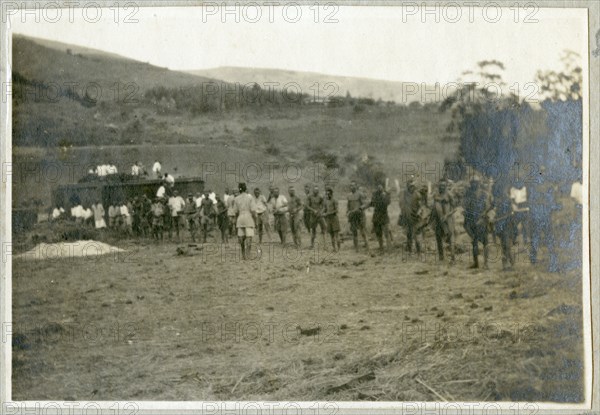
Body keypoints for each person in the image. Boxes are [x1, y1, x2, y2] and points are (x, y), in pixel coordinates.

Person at [528, 179, 560, 272]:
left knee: (549, 240)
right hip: (538, 218)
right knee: (535, 239)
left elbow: (552, 204)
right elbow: (532, 204)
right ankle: (533, 260)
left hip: (545, 218)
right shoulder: (534, 189)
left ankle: (552, 261)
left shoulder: (547, 189)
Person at [463, 175, 492, 269]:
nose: (474, 184)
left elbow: (488, 206)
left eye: (476, 183)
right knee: (474, 242)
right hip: (472, 220)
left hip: (482, 220)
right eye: (472, 183)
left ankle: (486, 263)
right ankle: (476, 263)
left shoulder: (484, 194)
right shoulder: (468, 194)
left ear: (479, 183)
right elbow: (466, 206)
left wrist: (483, 215)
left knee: (485, 242)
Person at [493, 181, 516, 271]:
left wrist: (499, 219)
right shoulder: (498, 200)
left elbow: (510, 213)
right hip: (500, 225)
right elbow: (496, 212)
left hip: (507, 224)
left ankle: (507, 263)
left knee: (506, 244)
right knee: (503, 244)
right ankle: (508, 263)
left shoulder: (508, 199)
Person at [431, 179, 455, 262]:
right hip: (438, 219)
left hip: (448, 219)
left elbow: (454, 208)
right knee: (438, 237)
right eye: (440, 185)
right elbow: (432, 205)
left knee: (450, 236)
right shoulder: (435, 194)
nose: (442, 187)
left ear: (446, 186)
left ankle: (452, 257)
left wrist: (447, 215)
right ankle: (441, 257)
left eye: (443, 185)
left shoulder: (449, 194)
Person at [233, 183, 257, 260]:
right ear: (245, 188)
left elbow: (235, 211)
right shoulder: (250, 197)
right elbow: (253, 210)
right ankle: (248, 254)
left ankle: (243, 254)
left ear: (239, 189)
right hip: (248, 217)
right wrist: (255, 220)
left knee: (241, 237)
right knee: (249, 236)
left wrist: (236, 220)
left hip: (240, 218)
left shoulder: (236, 198)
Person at [347, 181, 370, 253]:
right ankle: (356, 248)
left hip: (360, 215)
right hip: (352, 216)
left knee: (363, 231)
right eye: (350, 186)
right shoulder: (349, 195)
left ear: (356, 186)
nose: (352, 187)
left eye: (353, 185)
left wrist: (360, 208)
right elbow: (348, 206)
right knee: (354, 232)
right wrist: (348, 212)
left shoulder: (360, 194)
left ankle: (367, 247)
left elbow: (365, 204)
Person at [371, 183, 392, 253]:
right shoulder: (374, 195)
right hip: (376, 216)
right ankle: (381, 248)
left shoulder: (385, 195)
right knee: (378, 234)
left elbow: (388, 202)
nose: (379, 187)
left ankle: (389, 249)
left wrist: (387, 194)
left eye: (381, 186)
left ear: (383, 187)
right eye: (378, 186)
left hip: (383, 216)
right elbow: (372, 203)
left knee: (386, 233)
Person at [323, 187, 341, 252]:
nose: (327, 195)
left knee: (336, 235)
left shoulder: (334, 200)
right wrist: (321, 213)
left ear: (331, 194)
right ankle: (334, 248)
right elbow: (324, 208)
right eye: (326, 194)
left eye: (329, 194)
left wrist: (327, 213)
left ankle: (339, 249)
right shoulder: (326, 201)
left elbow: (336, 210)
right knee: (331, 235)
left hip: (334, 218)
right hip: (328, 219)